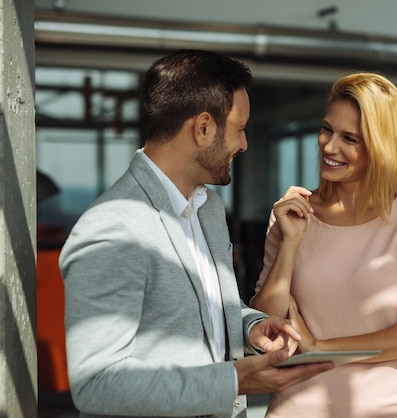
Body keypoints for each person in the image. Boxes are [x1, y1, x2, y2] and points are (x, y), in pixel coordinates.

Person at [59, 49, 333, 418]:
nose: (245, 144)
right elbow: (97, 385)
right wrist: (234, 380)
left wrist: (252, 326)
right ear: (203, 129)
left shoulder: (209, 208)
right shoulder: (112, 227)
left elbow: (211, 311)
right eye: (240, 129)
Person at [250, 72, 397, 417]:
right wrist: (291, 242)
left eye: (349, 138)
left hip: (384, 410)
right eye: (327, 129)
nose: (329, 146)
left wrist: (319, 348)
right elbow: (266, 323)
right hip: (295, 408)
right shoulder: (292, 213)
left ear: (380, 146)